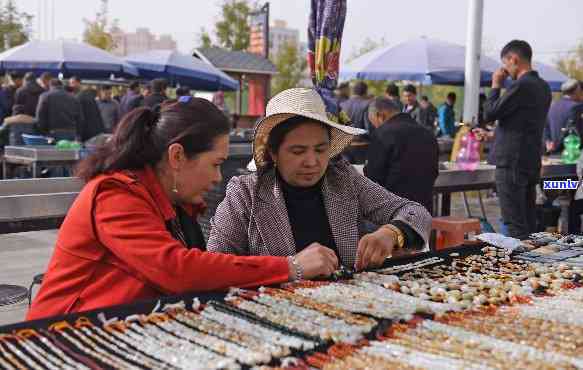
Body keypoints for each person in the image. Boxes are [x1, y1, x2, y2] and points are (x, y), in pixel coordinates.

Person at [26, 97, 334, 320]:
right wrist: (289, 266)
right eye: (216, 164)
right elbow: (178, 269)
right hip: (65, 334)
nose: (217, 178)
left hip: (126, 324)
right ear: (177, 157)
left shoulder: (173, 200)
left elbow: (202, 265)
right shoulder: (115, 195)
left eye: (320, 150)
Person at [207, 88, 431, 270]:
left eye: (320, 149)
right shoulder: (246, 193)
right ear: (273, 153)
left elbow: (415, 212)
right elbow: (215, 265)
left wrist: (390, 233)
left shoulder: (342, 178)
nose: (312, 162)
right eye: (297, 151)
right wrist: (290, 267)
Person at [482, 40, 552, 239]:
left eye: (505, 63)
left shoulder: (522, 85)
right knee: (529, 221)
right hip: (530, 159)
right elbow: (521, 122)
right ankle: (534, 265)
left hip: (511, 162)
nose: (504, 69)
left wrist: (495, 85)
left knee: (514, 224)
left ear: (514, 59)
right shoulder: (544, 87)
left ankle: (520, 266)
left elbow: (490, 112)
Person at [365, 98, 439, 214]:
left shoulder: (383, 133)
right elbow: (434, 172)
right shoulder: (428, 134)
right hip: (424, 211)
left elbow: (373, 176)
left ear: (380, 115)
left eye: (374, 123)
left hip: (394, 212)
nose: (376, 127)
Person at [544, 79, 583, 153]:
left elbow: (546, 128)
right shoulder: (578, 107)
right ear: (577, 91)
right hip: (573, 155)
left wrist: (548, 142)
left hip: (554, 153)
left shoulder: (553, 106)